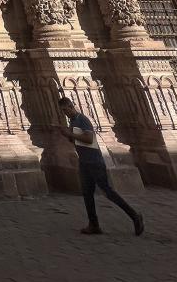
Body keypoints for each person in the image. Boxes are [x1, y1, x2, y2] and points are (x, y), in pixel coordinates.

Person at [57, 96, 144, 236]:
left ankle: (134, 215)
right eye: (62, 111)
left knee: (108, 191)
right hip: (84, 162)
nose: (64, 113)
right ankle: (94, 224)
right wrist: (68, 136)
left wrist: (69, 133)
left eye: (65, 110)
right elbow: (77, 142)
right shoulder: (73, 121)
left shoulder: (82, 119)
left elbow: (89, 139)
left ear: (71, 106)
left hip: (94, 161)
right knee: (87, 193)